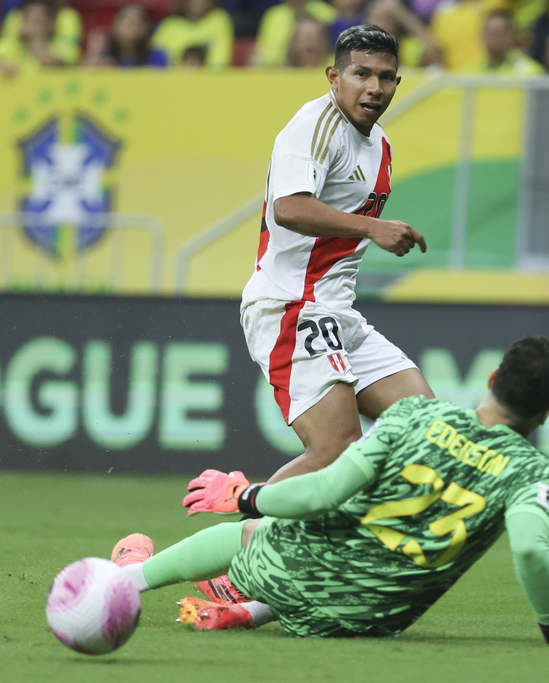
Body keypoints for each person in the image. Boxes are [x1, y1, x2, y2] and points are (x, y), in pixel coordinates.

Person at [109, 335, 549, 647]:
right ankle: (247, 610)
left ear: (494, 376)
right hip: (372, 623)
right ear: (547, 409)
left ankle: (129, 582)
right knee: (364, 569)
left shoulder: (415, 415)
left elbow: (323, 492)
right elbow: (529, 550)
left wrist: (247, 495)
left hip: (294, 577)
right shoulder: (531, 471)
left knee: (255, 531)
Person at [176, 23, 433, 604]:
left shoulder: (380, 145)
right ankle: (240, 547)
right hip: (290, 304)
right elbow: (290, 208)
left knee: (424, 432)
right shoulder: (312, 127)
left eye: (386, 76)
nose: (374, 87)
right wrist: (373, 226)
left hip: (336, 312)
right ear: (333, 76)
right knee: (336, 447)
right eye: (361, 74)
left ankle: (314, 550)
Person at [82, 1, 168, 68]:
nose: (130, 28)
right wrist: (93, 55)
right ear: (115, 24)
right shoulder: (104, 56)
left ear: (145, 27)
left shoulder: (157, 56)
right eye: (126, 22)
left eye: (135, 23)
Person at [252, 0, 337, 67]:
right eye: (305, 37)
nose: (310, 41)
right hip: (278, 71)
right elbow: (260, 56)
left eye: (315, 37)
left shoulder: (328, 14)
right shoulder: (273, 15)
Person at [152, 0, 234, 68]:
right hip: (173, 81)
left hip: (210, 81)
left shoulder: (218, 20)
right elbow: (157, 58)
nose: (197, 2)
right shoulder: (169, 25)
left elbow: (220, 60)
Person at [476, 9, 543, 74]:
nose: (495, 38)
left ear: (512, 34)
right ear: (482, 35)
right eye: (491, 32)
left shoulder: (531, 71)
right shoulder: (471, 73)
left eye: (500, 32)